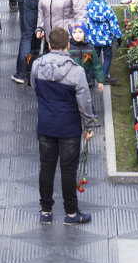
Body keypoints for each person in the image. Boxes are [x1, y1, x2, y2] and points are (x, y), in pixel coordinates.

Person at [31, 25, 95, 225]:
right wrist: (88, 126)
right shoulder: (76, 71)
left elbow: (34, 87)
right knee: (68, 170)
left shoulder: (37, 65)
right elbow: (85, 102)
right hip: (69, 128)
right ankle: (70, 213)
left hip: (46, 125)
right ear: (68, 45)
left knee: (46, 167)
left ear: (49, 45)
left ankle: (46, 211)